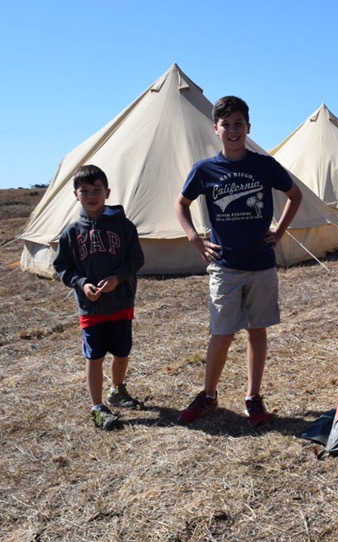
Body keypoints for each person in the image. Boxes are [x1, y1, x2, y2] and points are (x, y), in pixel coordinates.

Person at [174, 95, 302, 427]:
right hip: (225, 265)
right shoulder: (205, 170)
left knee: (257, 331)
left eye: (238, 124)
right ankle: (208, 394)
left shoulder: (264, 165)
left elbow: (295, 195)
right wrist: (193, 237)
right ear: (215, 129)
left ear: (248, 127)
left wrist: (280, 231)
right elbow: (181, 204)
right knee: (222, 332)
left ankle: (253, 396)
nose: (233, 131)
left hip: (261, 264)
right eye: (226, 125)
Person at [53, 164, 145, 430]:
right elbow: (62, 267)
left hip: (121, 302)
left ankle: (118, 389)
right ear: (75, 195)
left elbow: (136, 259)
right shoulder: (71, 233)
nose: (91, 196)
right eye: (85, 191)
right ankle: (97, 407)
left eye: (97, 190)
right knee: (94, 356)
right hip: (91, 307)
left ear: (107, 192)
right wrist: (81, 284)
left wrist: (118, 278)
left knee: (121, 352)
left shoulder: (124, 227)